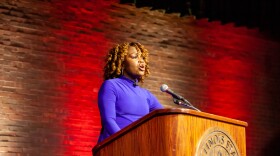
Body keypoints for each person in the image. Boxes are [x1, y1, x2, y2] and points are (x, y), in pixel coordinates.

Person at [97, 42, 164, 143]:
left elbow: (165, 117)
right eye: (135, 57)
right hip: (114, 147)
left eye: (143, 58)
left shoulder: (147, 95)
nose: (141, 61)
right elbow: (108, 121)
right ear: (122, 62)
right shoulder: (111, 86)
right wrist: (127, 142)